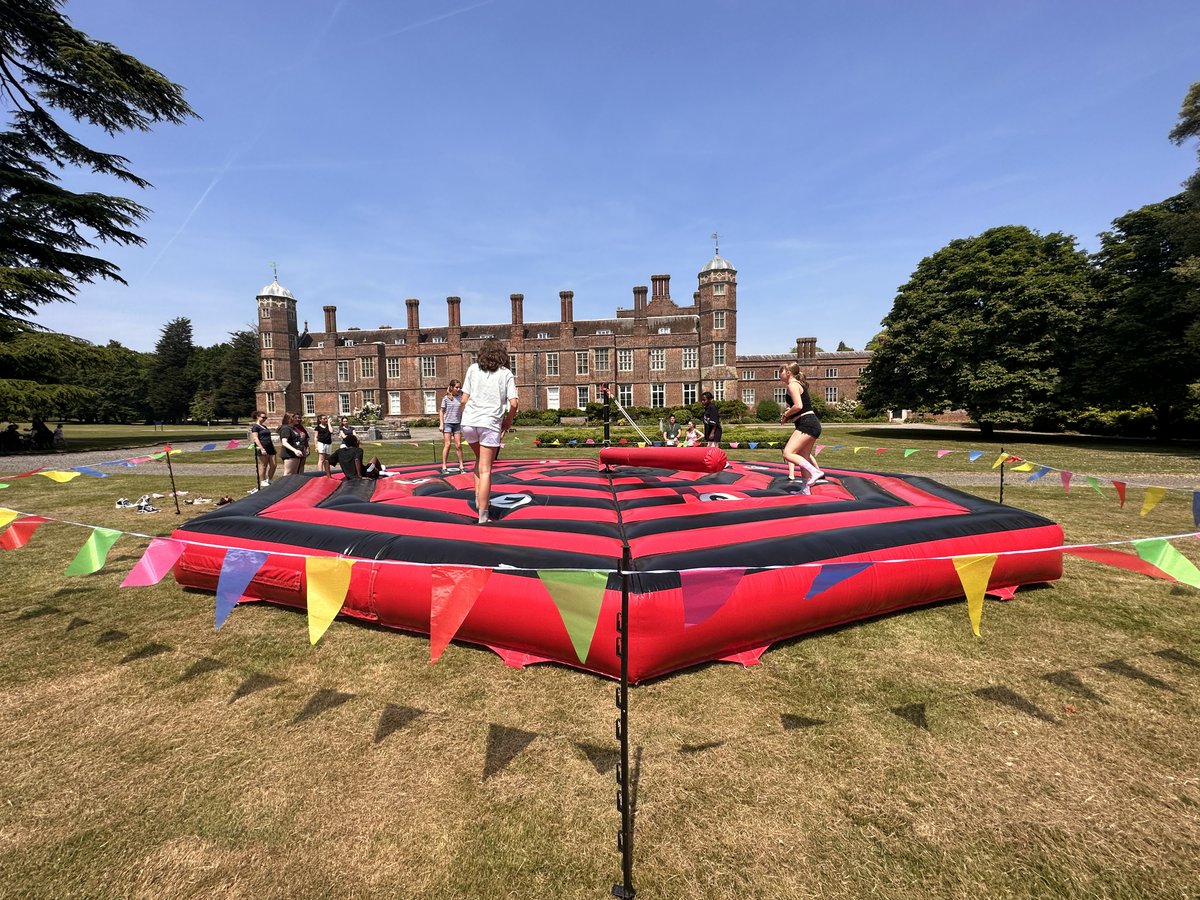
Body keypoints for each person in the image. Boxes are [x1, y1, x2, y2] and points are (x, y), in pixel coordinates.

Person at [459, 338, 518, 524]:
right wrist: (507, 422)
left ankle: (479, 499)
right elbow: (514, 403)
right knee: (486, 469)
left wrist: (466, 416)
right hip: (489, 423)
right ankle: (483, 515)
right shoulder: (505, 374)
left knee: (479, 460)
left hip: (469, 423)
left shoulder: (472, 369)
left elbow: (463, 400)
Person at [779, 363, 825, 494]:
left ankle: (815, 472)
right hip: (809, 423)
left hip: (807, 423)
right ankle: (805, 489)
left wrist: (786, 414)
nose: (779, 374)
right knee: (802, 455)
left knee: (788, 453)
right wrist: (789, 415)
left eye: (781, 372)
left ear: (788, 373)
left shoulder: (792, 385)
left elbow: (798, 405)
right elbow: (800, 407)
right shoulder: (797, 384)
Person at [440, 378, 465, 473]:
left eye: (459, 387)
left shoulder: (461, 398)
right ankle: (444, 466)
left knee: (458, 445)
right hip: (448, 423)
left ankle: (461, 465)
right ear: (451, 387)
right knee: (448, 444)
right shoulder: (446, 398)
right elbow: (441, 411)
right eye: (456, 387)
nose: (458, 389)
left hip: (457, 423)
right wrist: (441, 424)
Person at [250, 411, 277, 486]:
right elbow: (255, 438)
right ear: (257, 417)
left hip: (270, 447)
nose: (265, 419)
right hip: (263, 447)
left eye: (266, 417)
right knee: (264, 465)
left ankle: (270, 479)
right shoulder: (255, 427)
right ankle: (263, 480)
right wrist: (261, 448)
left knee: (273, 465)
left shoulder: (264, 426)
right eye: (263, 417)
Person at [278, 411, 303, 476]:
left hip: (296, 454)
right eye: (295, 418)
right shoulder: (286, 428)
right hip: (289, 454)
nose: (298, 419)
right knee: (288, 473)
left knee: (294, 474)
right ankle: (284, 483)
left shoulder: (293, 428)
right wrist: (295, 450)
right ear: (290, 419)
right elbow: (284, 442)